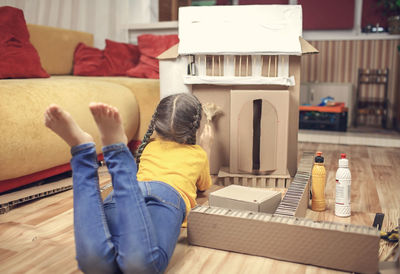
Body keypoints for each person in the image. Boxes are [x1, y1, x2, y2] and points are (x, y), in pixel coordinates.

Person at [44, 93, 212, 274]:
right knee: (135, 266)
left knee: (97, 266)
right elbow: (204, 186)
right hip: (167, 195)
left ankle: (89, 149)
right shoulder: (198, 154)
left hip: (130, 194)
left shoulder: (149, 146)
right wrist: (207, 147)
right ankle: (105, 152)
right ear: (194, 128)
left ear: (157, 123)